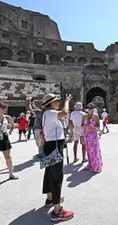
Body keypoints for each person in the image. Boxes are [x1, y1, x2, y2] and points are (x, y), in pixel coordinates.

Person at [41, 93, 74, 222]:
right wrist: (67, 101)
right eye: (57, 101)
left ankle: (50, 198)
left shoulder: (48, 114)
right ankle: (57, 211)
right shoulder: (50, 113)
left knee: (49, 173)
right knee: (56, 177)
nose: (59, 102)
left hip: (50, 145)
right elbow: (65, 113)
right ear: (51, 103)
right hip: (54, 146)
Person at [0, 102, 18, 183]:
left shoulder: (8, 117)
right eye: (3, 108)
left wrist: (9, 132)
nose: (5, 109)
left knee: (8, 157)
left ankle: (11, 174)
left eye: (5, 108)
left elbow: (13, 125)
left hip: (4, 137)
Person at [82, 103, 103, 173]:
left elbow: (98, 126)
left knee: (95, 150)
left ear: (93, 108)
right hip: (87, 135)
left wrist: (93, 127)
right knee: (89, 151)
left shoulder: (96, 116)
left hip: (93, 136)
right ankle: (90, 164)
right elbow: (81, 125)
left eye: (91, 108)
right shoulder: (84, 116)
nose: (89, 109)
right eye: (88, 108)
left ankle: (97, 166)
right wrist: (86, 126)